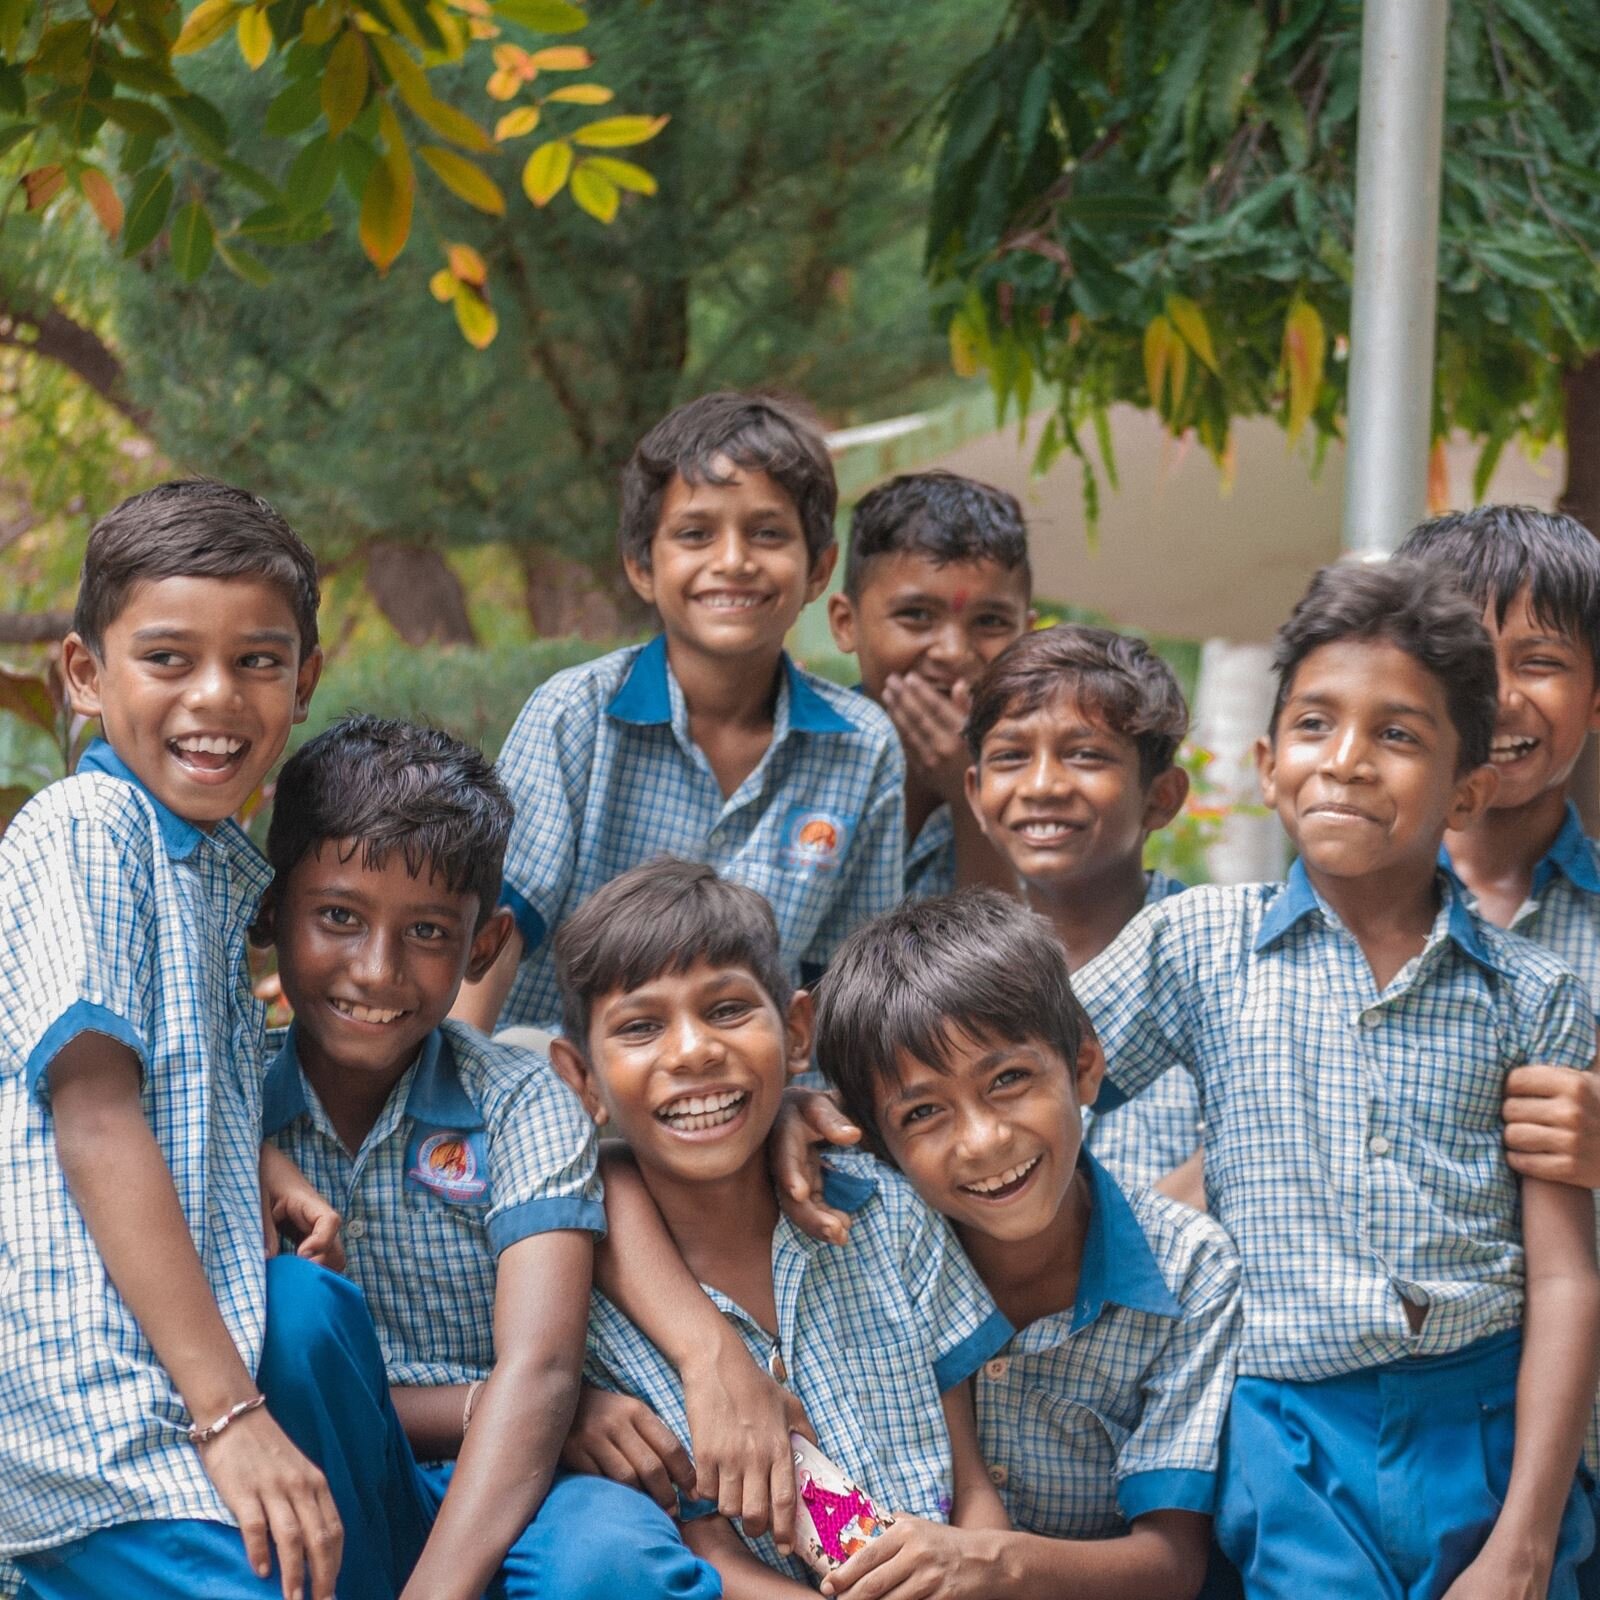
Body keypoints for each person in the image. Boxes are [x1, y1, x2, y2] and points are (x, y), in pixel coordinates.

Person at [1075, 560, 1600, 1597]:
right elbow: (1023, 1071)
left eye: (1398, 734)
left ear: (1465, 789)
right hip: (1287, 1429)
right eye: (1316, 726)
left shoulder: (1532, 995)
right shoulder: (1194, 944)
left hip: (1489, 1423)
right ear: (1268, 763)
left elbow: (1565, 1277)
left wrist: (1525, 1541)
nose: (1348, 762)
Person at [0, 480, 393, 1600]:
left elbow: (152, 1072)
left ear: (304, 680)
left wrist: (257, 1160)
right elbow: (92, 1115)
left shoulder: (203, 861)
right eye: (168, 658)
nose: (215, 697)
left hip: (166, 1374)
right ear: (85, 672)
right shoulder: (89, 830)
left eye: (259, 661)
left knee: (319, 1316)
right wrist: (232, 1417)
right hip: (95, 1417)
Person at [254, 715, 719, 1600]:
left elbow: (541, 1367)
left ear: (486, 944)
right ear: (271, 913)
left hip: (521, 1475)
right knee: (296, 1309)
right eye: (340, 917)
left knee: (613, 1565)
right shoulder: (222, 1095)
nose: (377, 969)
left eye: (428, 932)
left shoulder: (517, 1098)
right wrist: (481, 1408)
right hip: (313, 1473)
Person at [545, 859, 1014, 1596]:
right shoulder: (587, 1307)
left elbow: (971, 1478)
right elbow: (712, 1560)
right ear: (581, 1080)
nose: (694, 1050)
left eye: (728, 1009)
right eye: (641, 1026)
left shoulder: (885, 1217)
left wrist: (978, 1564)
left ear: (798, 1032)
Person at [803, 890, 1242, 1599]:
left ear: (1084, 1067)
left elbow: (1172, 1563)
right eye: (924, 1113)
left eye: (1008, 1080)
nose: (984, 1140)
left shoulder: (1190, 1269)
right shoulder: (863, 1246)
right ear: (879, 1145)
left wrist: (990, 1562)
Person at [455, 392, 905, 1035]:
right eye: (696, 534)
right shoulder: (575, 718)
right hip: (561, 1095)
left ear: (818, 570)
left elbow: (850, 988)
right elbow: (491, 940)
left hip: (747, 1102)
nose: (733, 560)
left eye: (768, 533)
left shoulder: (862, 747)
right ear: (642, 566)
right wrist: (452, 1111)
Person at [1397, 504, 1600, 1599]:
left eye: (1544, 660)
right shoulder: (1314, 920)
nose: (1504, 692)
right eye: (1469, 655)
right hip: (1336, 1457)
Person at [826, 471, 1033, 897]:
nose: (953, 652)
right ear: (846, 624)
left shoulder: (1043, 781)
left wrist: (968, 795)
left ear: (1025, 637)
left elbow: (1008, 957)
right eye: (916, 615)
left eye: (990, 622)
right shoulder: (798, 759)